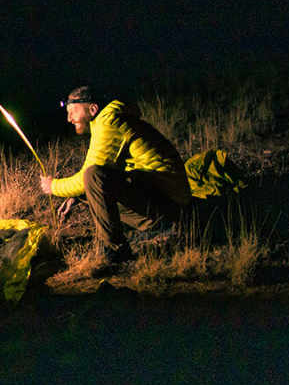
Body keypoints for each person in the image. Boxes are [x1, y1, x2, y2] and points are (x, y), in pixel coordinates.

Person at [40, 86, 190, 277]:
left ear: (93, 110)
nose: (69, 119)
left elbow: (91, 175)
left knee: (93, 175)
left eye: (72, 112)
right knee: (92, 182)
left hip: (169, 205)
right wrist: (77, 197)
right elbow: (112, 173)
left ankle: (116, 251)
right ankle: (156, 228)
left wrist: (52, 186)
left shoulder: (108, 123)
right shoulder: (109, 122)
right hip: (165, 201)